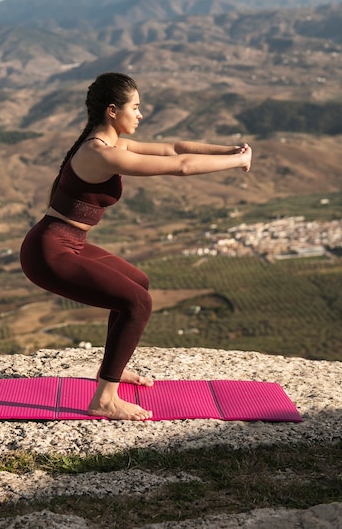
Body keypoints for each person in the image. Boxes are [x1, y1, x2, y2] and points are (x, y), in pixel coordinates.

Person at [20, 72, 252, 421]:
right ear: (112, 111)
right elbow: (181, 166)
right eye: (136, 107)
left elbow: (174, 148)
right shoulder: (100, 153)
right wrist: (237, 163)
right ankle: (105, 399)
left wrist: (231, 150)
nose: (141, 115)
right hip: (49, 251)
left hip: (69, 241)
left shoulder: (112, 145)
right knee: (138, 302)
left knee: (137, 283)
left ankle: (110, 370)